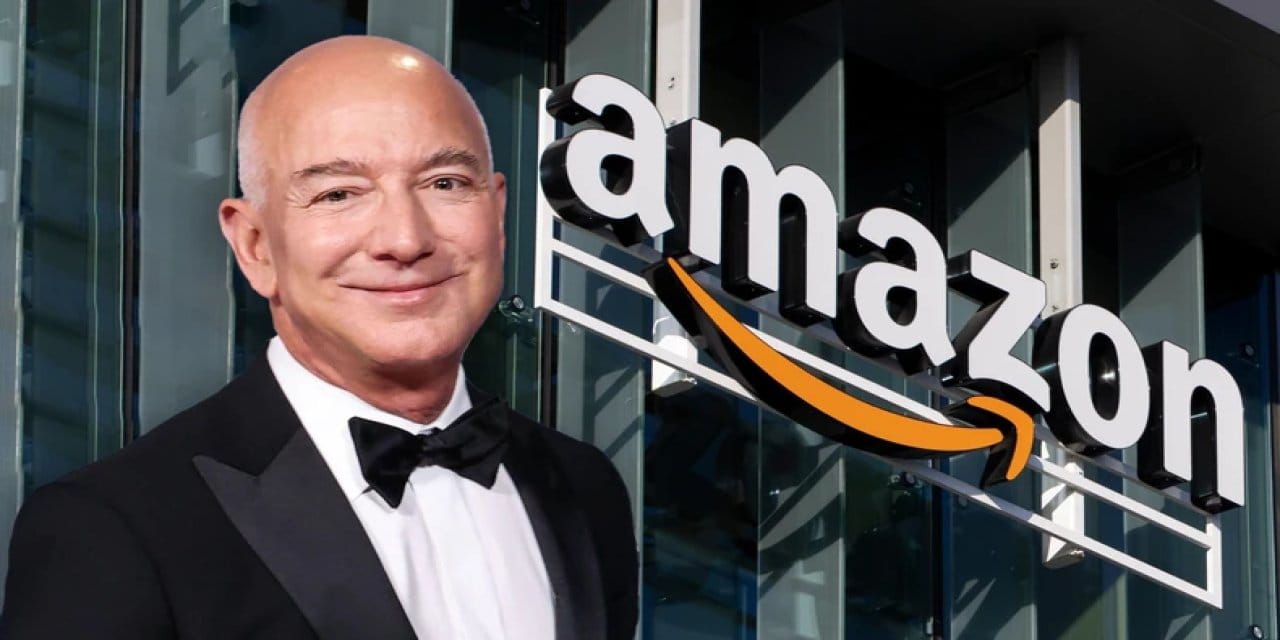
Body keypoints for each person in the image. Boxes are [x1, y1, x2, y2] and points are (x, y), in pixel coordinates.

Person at [0, 35, 637, 640]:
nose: (405, 240)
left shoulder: (584, 487)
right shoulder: (111, 529)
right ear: (254, 245)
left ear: (496, 216)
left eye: (444, 183)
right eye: (338, 194)